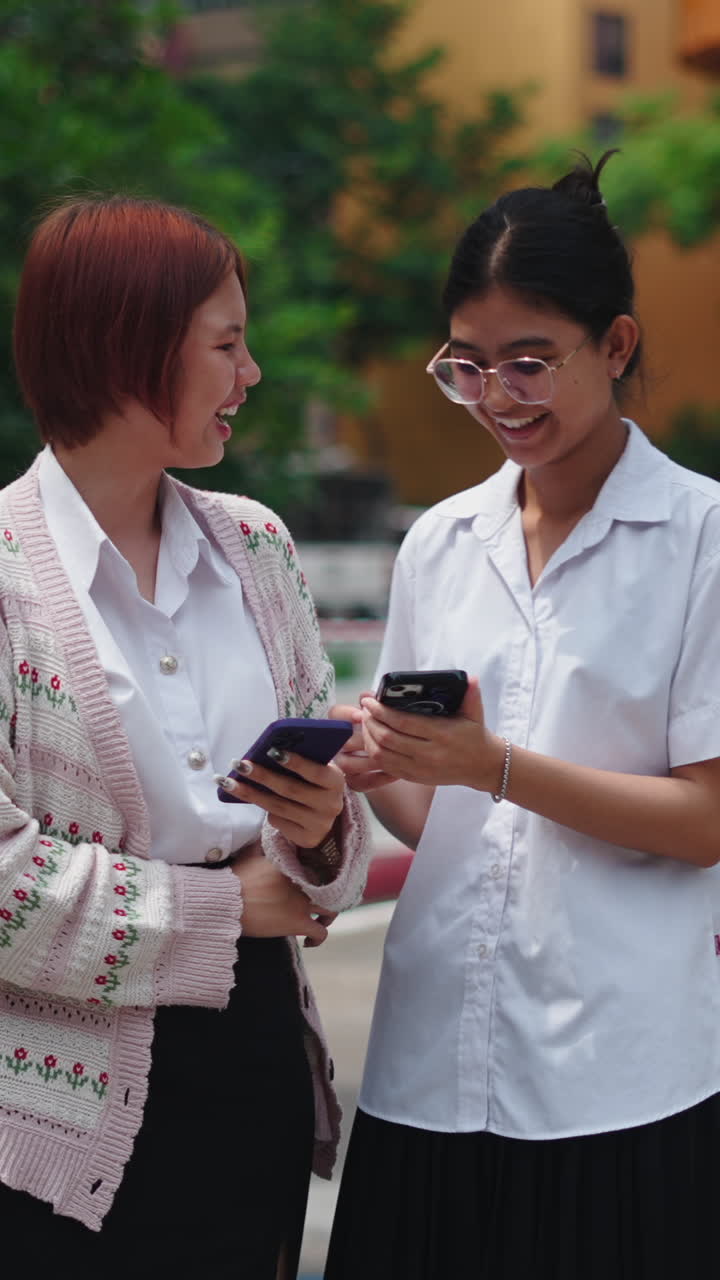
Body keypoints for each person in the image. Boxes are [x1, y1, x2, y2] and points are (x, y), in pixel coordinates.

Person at [326, 152, 720, 1279]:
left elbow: (705, 820)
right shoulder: (441, 541)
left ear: (619, 344)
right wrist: (374, 764)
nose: (498, 397)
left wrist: (491, 761)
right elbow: (434, 809)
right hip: (429, 1060)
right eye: (469, 366)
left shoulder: (701, 539)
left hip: (621, 1074)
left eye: (530, 362)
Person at [0, 195, 370, 1279]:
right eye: (226, 343)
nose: (250, 373)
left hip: (249, 1065)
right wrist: (227, 906)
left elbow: (321, 858)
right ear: (129, 346)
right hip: (50, 1108)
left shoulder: (256, 545)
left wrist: (320, 833)